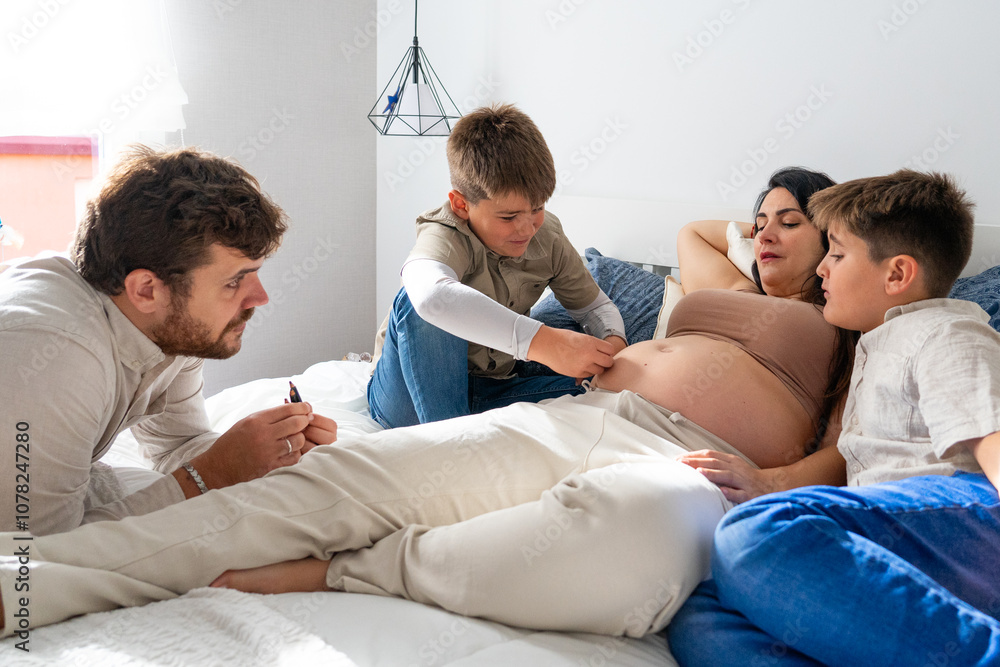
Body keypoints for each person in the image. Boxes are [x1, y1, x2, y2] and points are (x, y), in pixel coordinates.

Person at [0, 167, 849, 639]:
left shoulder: (851, 327)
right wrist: (768, 239)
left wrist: (772, 478)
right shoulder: (720, 279)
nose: (765, 229)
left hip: (694, 458)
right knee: (341, 479)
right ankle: (25, 591)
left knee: (624, 546)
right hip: (577, 416)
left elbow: (850, 452)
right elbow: (693, 234)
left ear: (853, 247)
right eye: (759, 216)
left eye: (796, 223)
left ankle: (350, 569)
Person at [668, 170, 1000, 666]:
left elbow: (992, 439)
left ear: (897, 274)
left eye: (837, 255)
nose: (821, 270)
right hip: (898, 543)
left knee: (758, 530)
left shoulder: (943, 331)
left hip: (966, 520)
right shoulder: (870, 346)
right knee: (703, 616)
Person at [0, 146, 338, 536]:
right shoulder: (52, 358)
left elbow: (177, 445)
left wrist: (267, 455)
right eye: (233, 281)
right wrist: (216, 472)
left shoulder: (169, 325)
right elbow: (32, 557)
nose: (260, 298)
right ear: (146, 290)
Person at [367, 103, 627, 429]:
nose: (526, 228)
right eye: (508, 217)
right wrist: (544, 344)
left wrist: (613, 346)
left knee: (618, 395)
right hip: (405, 395)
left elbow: (595, 308)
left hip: (494, 388)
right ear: (461, 205)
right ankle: (450, 444)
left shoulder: (548, 235)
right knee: (415, 301)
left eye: (537, 208)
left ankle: (460, 429)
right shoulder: (445, 231)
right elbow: (428, 297)